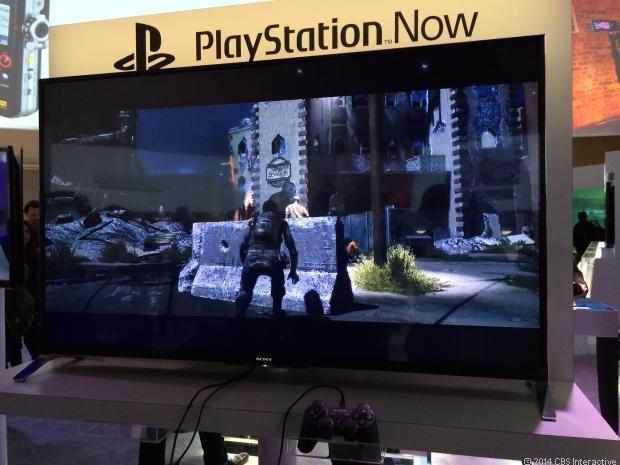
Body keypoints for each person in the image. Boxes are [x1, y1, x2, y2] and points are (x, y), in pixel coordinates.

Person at [235, 200, 299, 318]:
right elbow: (293, 249)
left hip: (251, 258)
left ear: (263, 209)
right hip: (272, 260)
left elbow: (243, 244)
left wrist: (245, 263)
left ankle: (239, 315)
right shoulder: (282, 223)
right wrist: (293, 271)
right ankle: (277, 312)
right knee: (278, 290)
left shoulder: (254, 221)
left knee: (245, 291)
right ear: (275, 209)